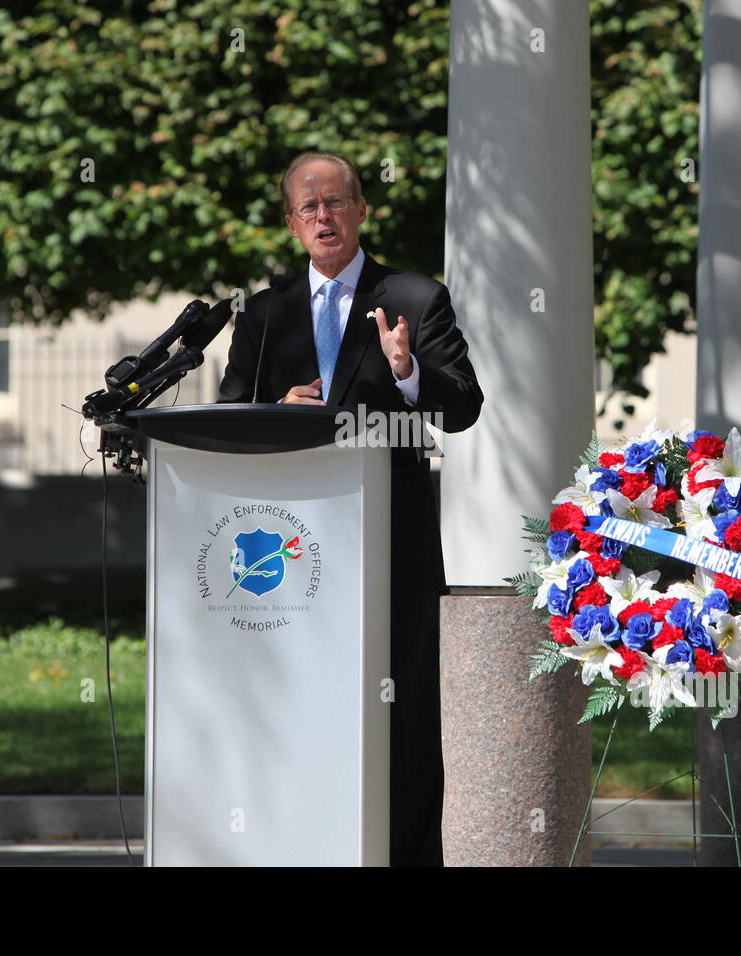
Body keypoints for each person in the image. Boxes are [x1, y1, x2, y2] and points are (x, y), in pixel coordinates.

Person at [216, 151, 483, 866]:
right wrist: (276, 410)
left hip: (391, 544)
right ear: (291, 225)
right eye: (309, 207)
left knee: (403, 718)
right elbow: (228, 412)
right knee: (300, 708)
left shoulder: (415, 297)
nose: (324, 216)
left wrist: (406, 370)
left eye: (336, 202)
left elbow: (462, 407)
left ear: (362, 210)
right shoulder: (265, 314)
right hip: (289, 549)